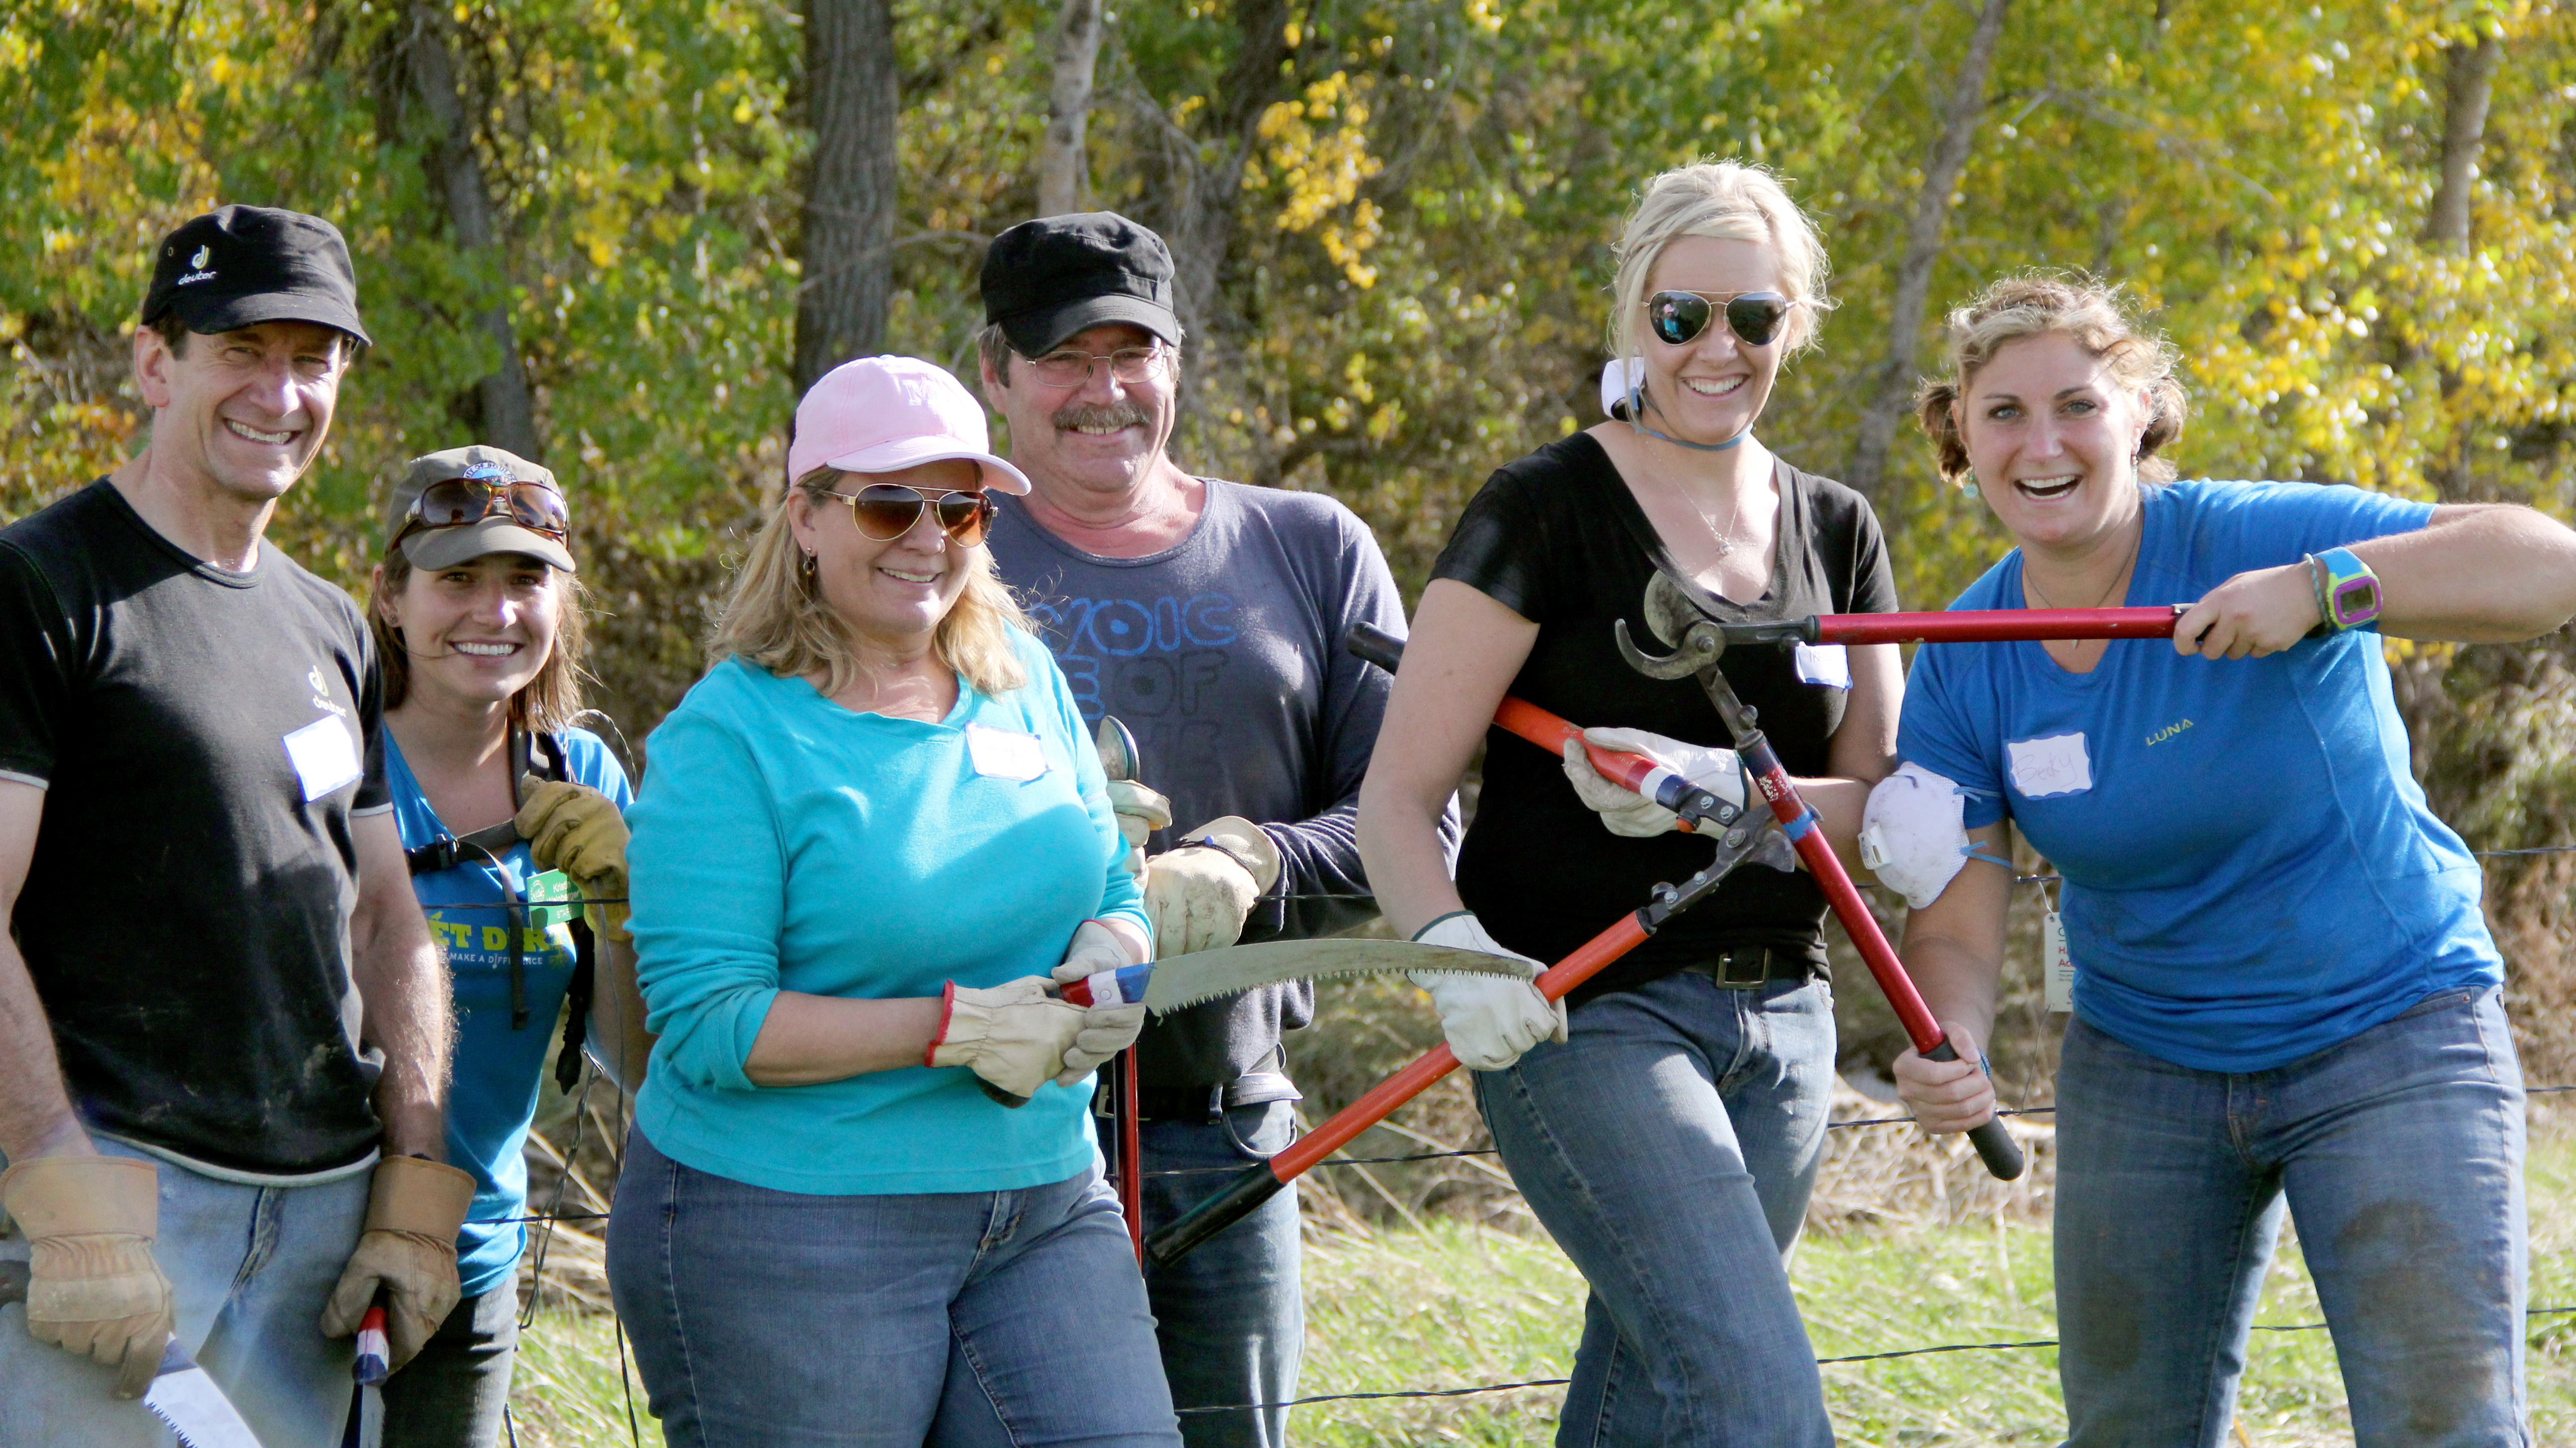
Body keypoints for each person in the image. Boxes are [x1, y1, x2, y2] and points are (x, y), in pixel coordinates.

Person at [1883, 274, 2576, 1448]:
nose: (2041, 443)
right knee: (2127, 1430)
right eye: (2002, 412)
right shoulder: (1963, 655)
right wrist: (1951, 1039)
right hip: (2146, 1059)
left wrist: (2323, 590)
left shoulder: (2251, 536)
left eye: (2076, 404)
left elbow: (2548, 566)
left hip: (2390, 1030)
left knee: (2443, 1425)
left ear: (2141, 412)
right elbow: (1957, 911)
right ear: (1962, 433)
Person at [1357, 161, 1900, 1448]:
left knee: (1656, 1390)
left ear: (1796, 324)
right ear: (1632, 318)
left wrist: (1729, 793)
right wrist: (1451, 957)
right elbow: (1398, 797)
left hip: (1787, 1016)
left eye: (1754, 318)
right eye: (1682, 318)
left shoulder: (1839, 525)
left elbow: (1886, 807)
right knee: (1757, 1399)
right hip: (1581, 1013)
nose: (1720, 348)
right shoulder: (1542, 509)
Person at [605, 355, 1176, 1447]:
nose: (929, 536)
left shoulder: (1021, 673)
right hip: (788, 1221)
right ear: (807, 516)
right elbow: (712, 1020)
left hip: (1044, 1200)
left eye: (961, 508)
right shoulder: (731, 736)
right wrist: (957, 1028)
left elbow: (1109, 870)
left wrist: (1115, 944)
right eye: (888, 502)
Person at [0, 205, 471, 1448]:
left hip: (319, 1232)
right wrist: (61, 1194)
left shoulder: (326, 623)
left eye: (313, 360)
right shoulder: (41, 586)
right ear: (156, 364)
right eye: (242, 350)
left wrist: (415, 1182)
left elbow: (385, 914)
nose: (282, 392)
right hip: (122, 1219)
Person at [977, 210, 1440, 1446]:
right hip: (991, 1122)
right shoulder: (932, 559)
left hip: (1228, 1122)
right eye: (1066, 358)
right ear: (996, 372)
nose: (1104, 390)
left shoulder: (1309, 546)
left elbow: (1413, 812)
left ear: (1177, 364)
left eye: (1134, 353)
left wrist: (1252, 857)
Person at [365, 445, 649, 1448]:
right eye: (458, 579)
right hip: (298, 1250)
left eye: (527, 578)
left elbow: (646, 1064)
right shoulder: (326, 755)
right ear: (391, 596)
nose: (496, 611)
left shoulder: (584, 778)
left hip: (472, 1265)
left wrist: (621, 904)